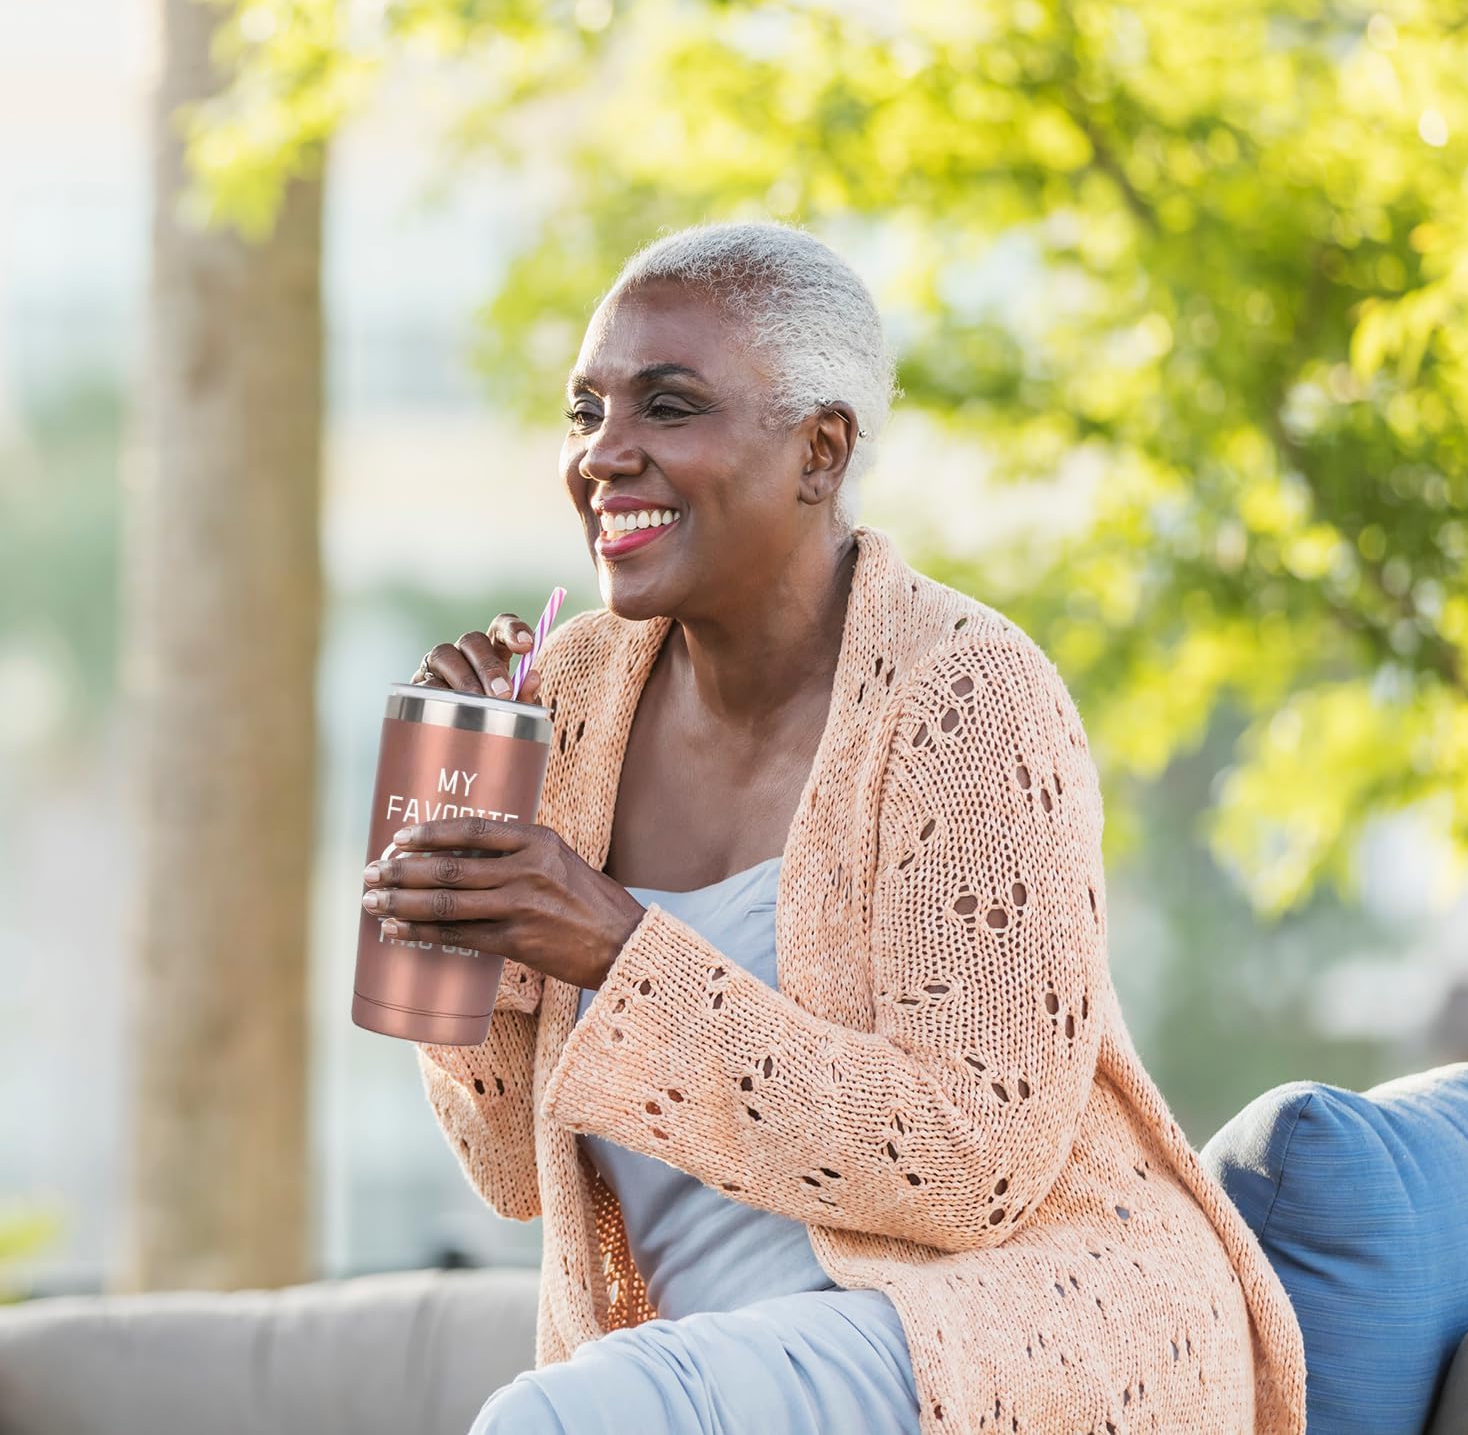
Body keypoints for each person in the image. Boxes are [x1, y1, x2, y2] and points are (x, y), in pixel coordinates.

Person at [361, 222, 1308, 1433]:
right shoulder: (574, 697)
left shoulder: (965, 697)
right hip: (720, 1362)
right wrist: (457, 877)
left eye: (668, 406)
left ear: (820, 450)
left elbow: (975, 1159)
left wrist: (612, 944)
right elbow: (506, 1172)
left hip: (993, 1334)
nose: (607, 454)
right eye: (585, 411)